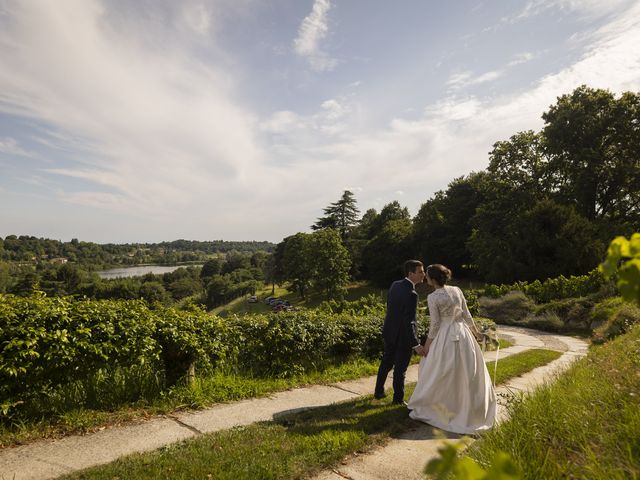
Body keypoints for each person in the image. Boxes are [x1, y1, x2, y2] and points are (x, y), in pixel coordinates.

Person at [408, 264, 496, 434]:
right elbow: (466, 314)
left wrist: (427, 346)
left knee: (441, 370)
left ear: (432, 279)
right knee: (467, 370)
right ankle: (468, 408)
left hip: (446, 335)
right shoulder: (457, 290)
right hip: (463, 334)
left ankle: (443, 406)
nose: (425, 278)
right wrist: (476, 333)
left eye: (427, 275)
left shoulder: (433, 297)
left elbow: (435, 325)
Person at [374, 260, 427, 405]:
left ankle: (378, 392)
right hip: (403, 336)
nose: (424, 274)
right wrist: (415, 343)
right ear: (411, 274)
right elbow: (409, 321)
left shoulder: (394, 285)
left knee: (386, 363)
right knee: (400, 369)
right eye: (420, 272)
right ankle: (397, 400)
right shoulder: (412, 293)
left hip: (389, 331)